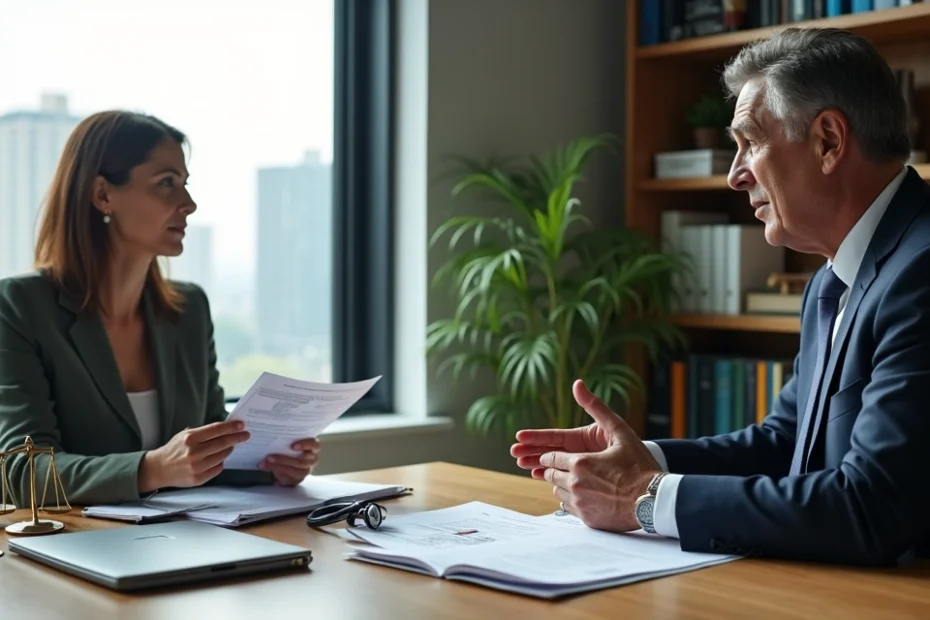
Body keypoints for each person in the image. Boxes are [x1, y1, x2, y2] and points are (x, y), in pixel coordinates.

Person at [511, 27, 930, 566]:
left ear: (828, 141)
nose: (734, 175)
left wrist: (644, 498)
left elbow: (873, 506)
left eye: (751, 143)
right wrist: (642, 461)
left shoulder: (919, 272)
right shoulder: (834, 278)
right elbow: (787, 443)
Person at [0, 111, 321, 506]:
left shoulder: (190, 310)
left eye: (184, 184)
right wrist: (152, 468)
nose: (188, 204)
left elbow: (205, 450)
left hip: (186, 543)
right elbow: (21, 472)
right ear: (103, 195)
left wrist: (272, 463)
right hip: (79, 549)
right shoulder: (19, 306)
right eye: (166, 183)